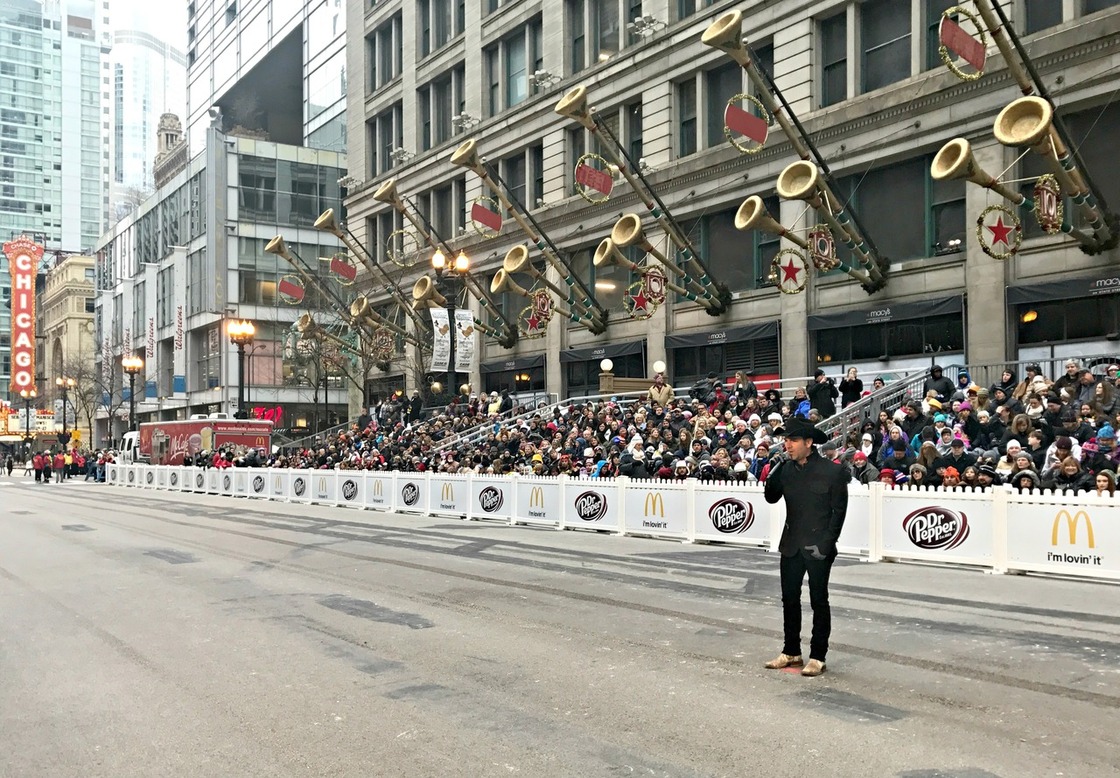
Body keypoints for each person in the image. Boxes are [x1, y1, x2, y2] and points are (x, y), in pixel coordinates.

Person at [763, 417, 848, 678]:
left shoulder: (832, 471)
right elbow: (771, 496)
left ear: (809, 443)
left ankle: (818, 655)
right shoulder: (786, 469)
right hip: (791, 544)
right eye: (785, 440)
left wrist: (826, 544)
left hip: (818, 546)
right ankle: (791, 651)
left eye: (793, 440)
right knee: (789, 598)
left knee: (818, 600)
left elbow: (839, 512)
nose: (787, 444)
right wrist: (776, 467)